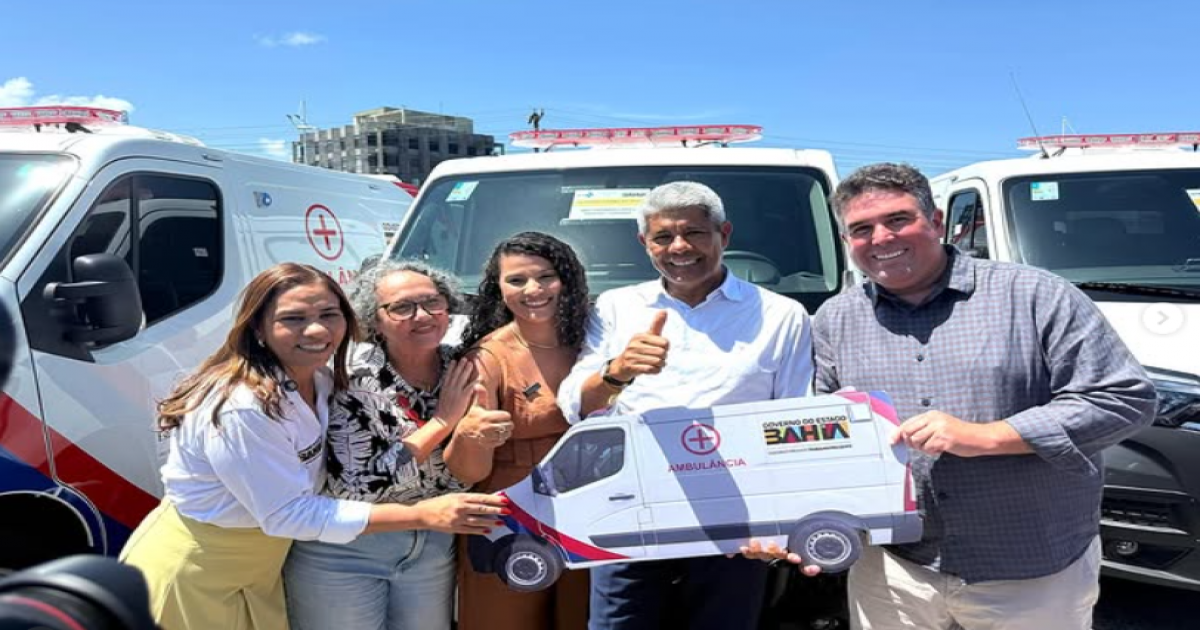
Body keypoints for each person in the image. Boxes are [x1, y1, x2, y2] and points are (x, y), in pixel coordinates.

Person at [749, 163, 1156, 630]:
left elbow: (1123, 399)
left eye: (898, 219)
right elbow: (818, 436)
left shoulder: (1035, 295)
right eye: (861, 228)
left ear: (936, 221)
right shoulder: (836, 319)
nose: (881, 238)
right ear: (846, 241)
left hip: (1030, 567)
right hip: (895, 567)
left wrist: (990, 436)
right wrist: (782, 518)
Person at [120, 262, 507, 630]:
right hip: (197, 567)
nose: (317, 330)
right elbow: (288, 513)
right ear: (258, 328)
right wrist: (425, 505)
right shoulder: (242, 406)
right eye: (293, 319)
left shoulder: (320, 381)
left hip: (260, 567)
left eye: (328, 314)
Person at [556, 182, 815, 630]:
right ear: (644, 242)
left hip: (736, 519)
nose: (679, 247)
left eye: (694, 232)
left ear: (724, 235)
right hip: (630, 510)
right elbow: (577, 407)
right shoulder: (616, 307)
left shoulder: (781, 314)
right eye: (663, 237)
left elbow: (795, 418)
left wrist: (781, 518)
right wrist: (618, 371)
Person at [284, 259, 512, 630]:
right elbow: (357, 489)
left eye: (433, 302)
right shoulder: (351, 375)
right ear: (373, 320)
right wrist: (442, 423)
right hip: (348, 551)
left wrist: (476, 438)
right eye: (402, 307)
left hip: (432, 548)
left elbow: (460, 478)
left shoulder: (461, 368)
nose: (422, 315)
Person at [449, 232, 592, 630]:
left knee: (582, 618)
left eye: (546, 277)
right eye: (516, 280)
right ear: (498, 288)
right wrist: (474, 435)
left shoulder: (594, 340)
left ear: (567, 280)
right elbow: (468, 473)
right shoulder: (487, 357)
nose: (533, 290)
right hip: (510, 517)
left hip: (588, 506)